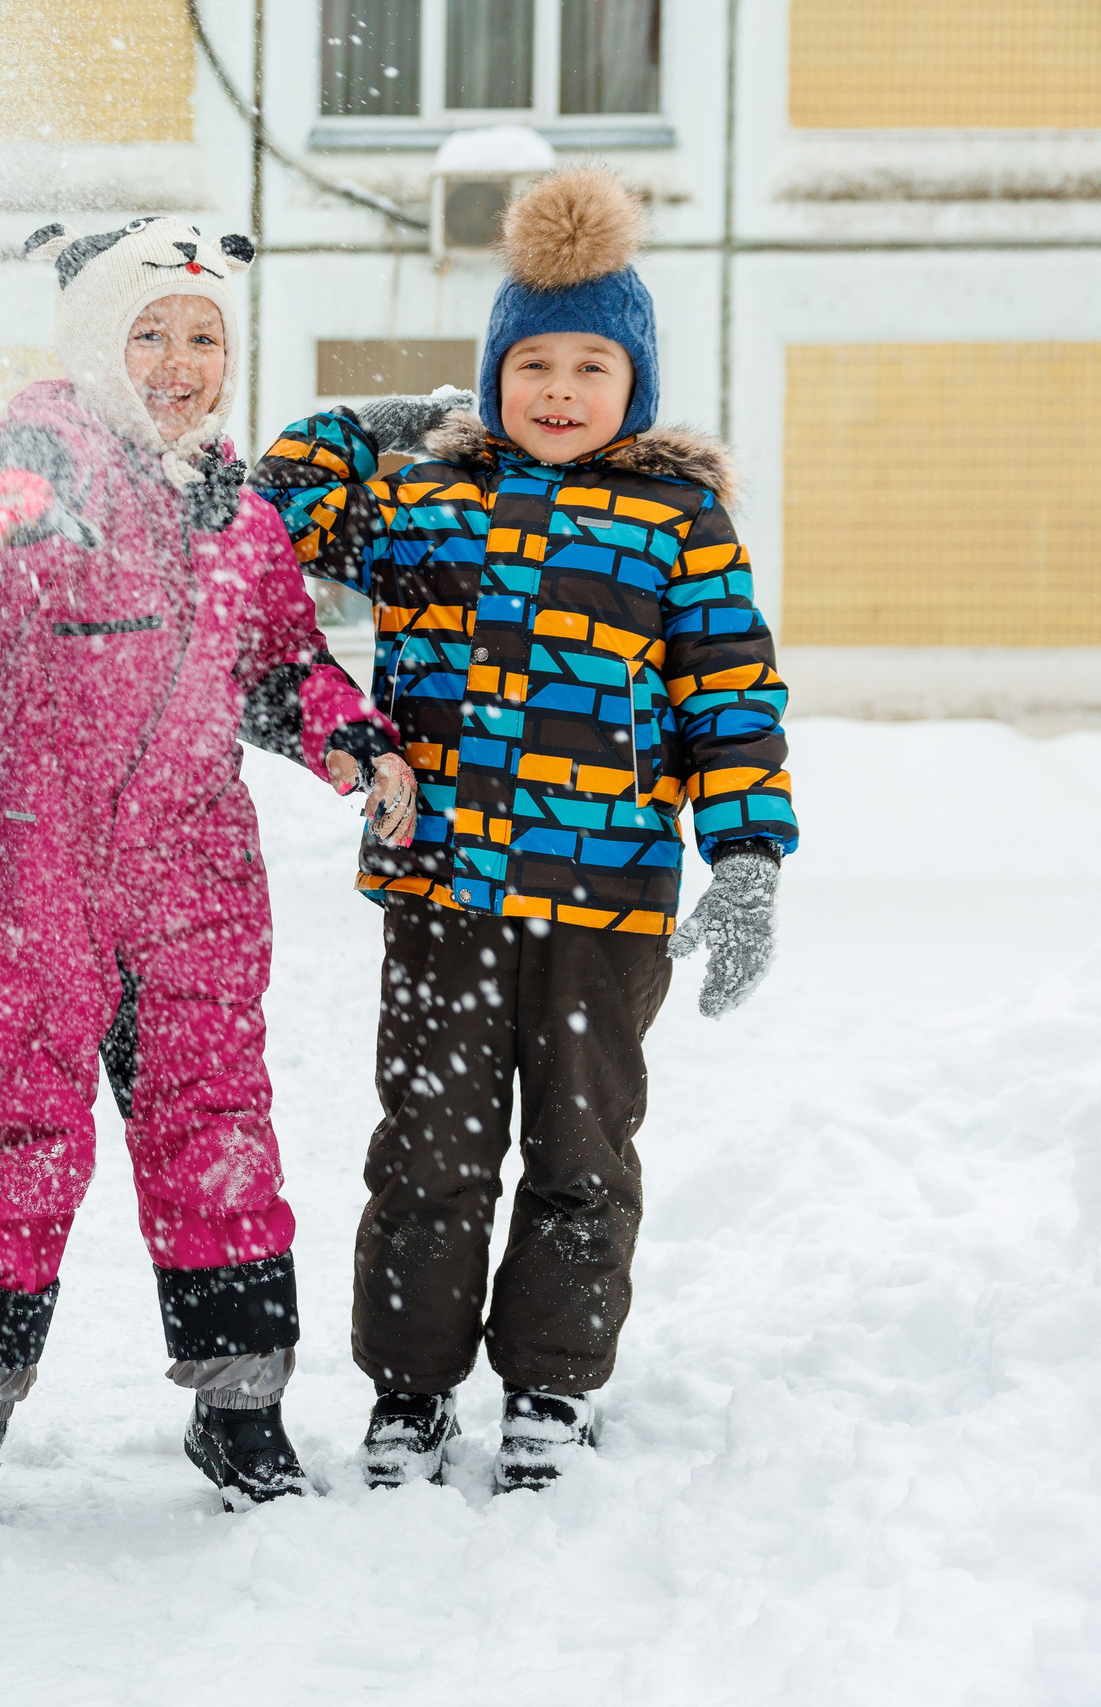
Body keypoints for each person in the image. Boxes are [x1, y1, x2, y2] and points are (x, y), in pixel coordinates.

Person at [253, 168, 799, 1492]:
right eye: (532, 361)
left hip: (605, 905)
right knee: (428, 1152)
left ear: (636, 384)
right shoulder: (428, 499)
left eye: (592, 364)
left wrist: (744, 859)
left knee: (582, 1153)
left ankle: (551, 1385)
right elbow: (271, 520)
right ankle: (410, 1389)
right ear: (492, 372)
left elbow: (732, 697)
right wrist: (368, 423)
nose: (560, 388)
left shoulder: (679, 523)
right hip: (446, 891)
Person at [0, 217, 414, 1523]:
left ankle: (239, 1405)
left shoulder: (240, 514)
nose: (180, 362)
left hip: (195, 876)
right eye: (148, 335)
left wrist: (352, 741)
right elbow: (6, 521)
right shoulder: (41, 450)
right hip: (46, 872)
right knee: (20, 1124)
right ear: (93, 349)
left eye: (204, 338)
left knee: (217, 1122)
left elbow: (282, 662)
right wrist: (56, 471)